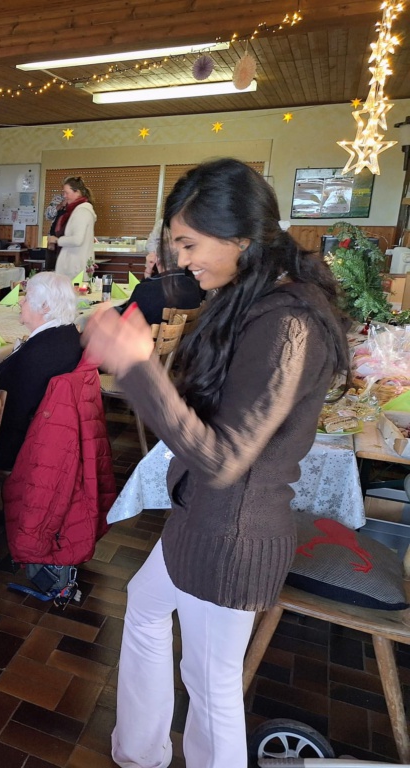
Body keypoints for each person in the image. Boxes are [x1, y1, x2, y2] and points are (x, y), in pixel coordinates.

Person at [81, 158, 347, 768]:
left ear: (241, 238)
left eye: (189, 244)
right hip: (201, 517)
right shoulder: (254, 290)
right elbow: (191, 291)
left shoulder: (288, 323)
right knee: (146, 609)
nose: (182, 259)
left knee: (211, 686)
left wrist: (137, 366)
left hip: (232, 532)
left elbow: (223, 459)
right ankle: (138, 751)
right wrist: (153, 295)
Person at [0, 272, 83, 471]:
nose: (20, 302)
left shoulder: (39, 353)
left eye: (26, 297)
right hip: (49, 433)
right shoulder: (67, 334)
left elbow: (8, 404)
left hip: (15, 444)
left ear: (45, 307)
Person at [117, 222, 205, 325]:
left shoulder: (146, 290)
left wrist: (148, 271)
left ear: (158, 260)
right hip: (184, 335)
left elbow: (124, 321)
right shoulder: (194, 286)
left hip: (144, 334)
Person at [49, 176, 96, 279]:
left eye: (67, 193)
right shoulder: (75, 210)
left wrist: (57, 240)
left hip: (75, 266)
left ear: (77, 192)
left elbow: (77, 240)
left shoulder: (82, 211)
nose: (64, 196)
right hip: (73, 264)